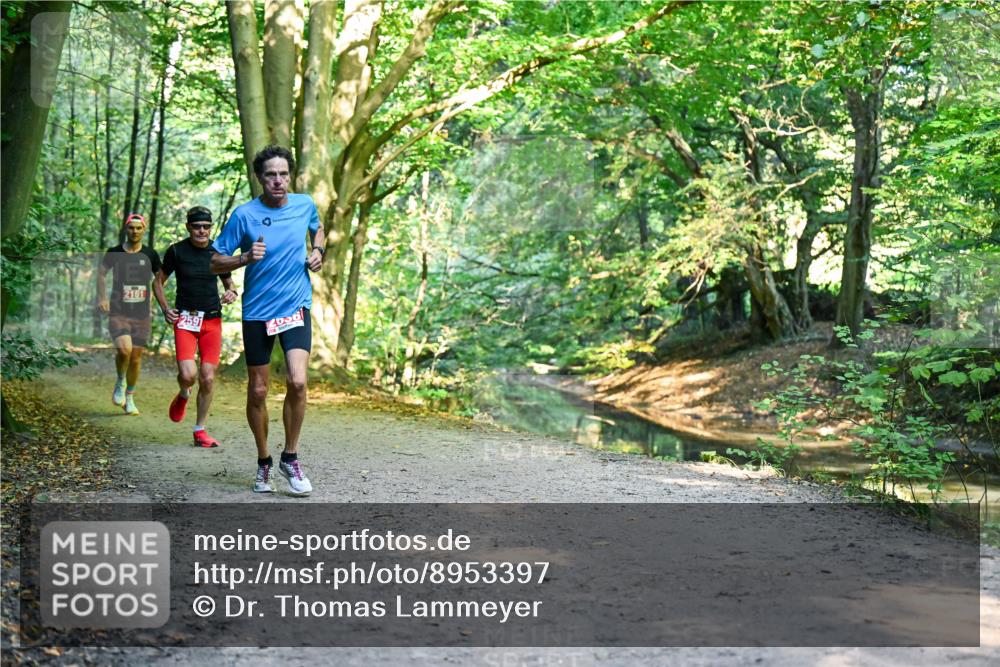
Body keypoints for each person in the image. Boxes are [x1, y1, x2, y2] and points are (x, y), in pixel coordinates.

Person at [210, 145, 325, 495]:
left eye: (283, 174)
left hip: (295, 307)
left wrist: (318, 251)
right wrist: (244, 257)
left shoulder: (304, 205)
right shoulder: (244, 215)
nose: (278, 181)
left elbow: (318, 230)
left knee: (298, 381)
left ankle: (290, 456)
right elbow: (215, 261)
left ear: (290, 176)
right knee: (258, 389)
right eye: (271, 175)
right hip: (258, 311)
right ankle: (264, 463)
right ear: (260, 178)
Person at [153, 206, 239, 448]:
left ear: (210, 228)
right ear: (188, 227)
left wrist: (232, 292)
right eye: (197, 226)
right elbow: (158, 281)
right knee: (189, 375)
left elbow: (229, 282)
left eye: (206, 226)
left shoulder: (217, 251)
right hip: (186, 321)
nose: (202, 230)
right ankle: (183, 393)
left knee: (208, 378)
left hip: (212, 321)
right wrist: (165, 307)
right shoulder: (177, 251)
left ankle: (200, 430)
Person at [98, 213, 161, 416]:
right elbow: (100, 273)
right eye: (131, 228)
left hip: (141, 313)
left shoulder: (150, 254)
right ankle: (119, 381)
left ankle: (130, 397)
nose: (134, 231)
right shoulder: (114, 252)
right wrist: (102, 298)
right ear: (126, 229)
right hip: (119, 311)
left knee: (135, 357)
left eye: (138, 228)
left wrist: (153, 294)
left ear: (144, 230)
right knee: (124, 351)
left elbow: (160, 277)